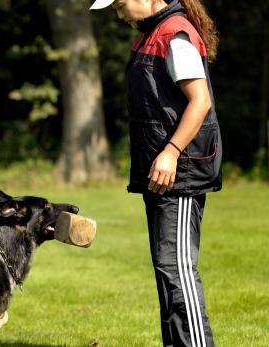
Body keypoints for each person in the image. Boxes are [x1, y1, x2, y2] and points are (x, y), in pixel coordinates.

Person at [90, 0, 222, 346]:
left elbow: (200, 101)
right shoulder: (149, 36)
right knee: (166, 269)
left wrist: (171, 151)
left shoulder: (174, 35)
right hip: (160, 173)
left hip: (181, 171)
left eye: (119, 7)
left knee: (177, 270)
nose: (118, 16)